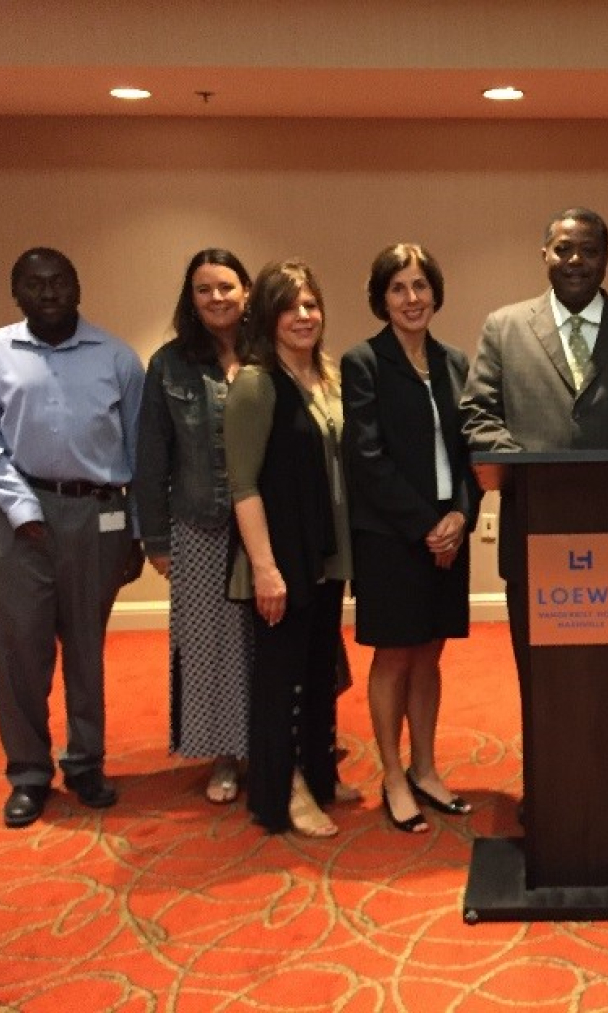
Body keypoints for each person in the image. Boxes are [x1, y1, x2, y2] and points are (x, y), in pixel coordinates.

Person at [460, 207, 608, 820]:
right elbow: (479, 414)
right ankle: (548, 790)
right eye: (564, 250)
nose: (576, 262)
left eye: (588, 251)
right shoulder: (505, 328)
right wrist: (529, 468)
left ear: (606, 258)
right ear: (545, 255)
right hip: (533, 536)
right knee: (541, 675)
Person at [0, 247, 145, 829]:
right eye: (34, 284)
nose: (48, 292)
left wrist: (136, 532)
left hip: (96, 516)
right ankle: (29, 773)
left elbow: (140, 451)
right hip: (17, 518)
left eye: (59, 281)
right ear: (16, 293)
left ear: (78, 286)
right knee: (20, 652)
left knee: (86, 649)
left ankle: (86, 762)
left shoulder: (116, 357)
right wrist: (21, 507)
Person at [341, 244, 480, 834]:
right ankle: (393, 774)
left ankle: (425, 767)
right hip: (392, 538)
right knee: (395, 653)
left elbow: (474, 447)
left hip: (449, 533)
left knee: (431, 651)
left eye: (420, 285)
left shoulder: (454, 362)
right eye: (398, 288)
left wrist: (462, 517)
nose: (411, 298)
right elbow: (366, 458)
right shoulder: (363, 362)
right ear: (382, 297)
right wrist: (427, 523)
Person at [224, 259, 358, 837]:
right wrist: (265, 569)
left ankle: (319, 774)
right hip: (281, 556)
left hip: (327, 553)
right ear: (268, 317)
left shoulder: (326, 375)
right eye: (290, 306)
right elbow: (243, 484)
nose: (303, 316)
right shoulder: (256, 382)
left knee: (318, 670)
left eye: (311, 304)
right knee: (281, 682)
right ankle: (283, 793)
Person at [134, 249, 254, 805]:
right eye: (204, 289)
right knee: (209, 645)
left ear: (247, 291)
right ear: (192, 298)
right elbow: (151, 458)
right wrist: (156, 541)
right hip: (199, 526)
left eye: (226, 286)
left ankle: (274, 744)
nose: (217, 298)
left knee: (267, 640)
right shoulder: (169, 365)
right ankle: (224, 754)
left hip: (267, 527)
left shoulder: (270, 353)